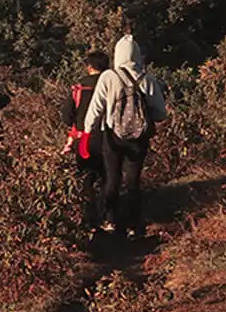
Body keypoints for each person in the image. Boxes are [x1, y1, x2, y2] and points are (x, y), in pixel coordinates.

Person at [83, 33, 169, 239]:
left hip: (113, 136)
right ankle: (134, 225)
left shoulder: (108, 77)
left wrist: (87, 133)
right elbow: (161, 114)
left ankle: (110, 220)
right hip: (139, 139)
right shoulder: (148, 79)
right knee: (133, 181)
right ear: (137, 55)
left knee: (112, 177)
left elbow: (96, 108)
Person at [60, 51, 107, 227]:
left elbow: (66, 116)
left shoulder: (79, 88)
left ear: (89, 67)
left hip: (83, 139)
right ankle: (109, 217)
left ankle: (89, 219)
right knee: (108, 178)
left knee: (86, 179)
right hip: (108, 138)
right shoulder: (111, 86)